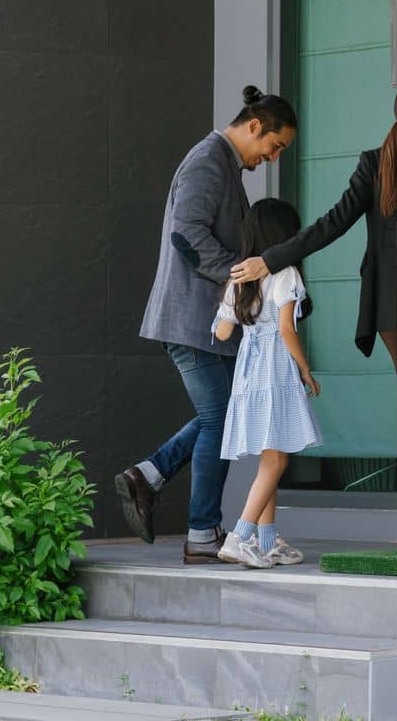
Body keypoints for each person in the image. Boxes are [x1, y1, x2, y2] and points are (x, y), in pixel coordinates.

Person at [115, 87, 297, 563]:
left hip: (203, 320)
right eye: (275, 146)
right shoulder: (207, 162)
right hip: (192, 320)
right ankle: (201, 533)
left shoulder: (224, 166)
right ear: (255, 126)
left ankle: (150, 476)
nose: (273, 158)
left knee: (229, 410)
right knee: (222, 417)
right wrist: (243, 277)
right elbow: (186, 234)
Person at [231, 88, 397, 367]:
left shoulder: (376, 162)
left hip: (389, 297)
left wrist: (270, 260)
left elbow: (333, 223)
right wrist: (270, 261)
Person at [211, 199, 323, 569]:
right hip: (274, 368)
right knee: (276, 459)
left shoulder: (238, 276)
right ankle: (240, 537)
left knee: (269, 454)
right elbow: (287, 329)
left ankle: (268, 540)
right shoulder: (286, 271)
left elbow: (224, 331)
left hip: (248, 371)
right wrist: (306, 369)